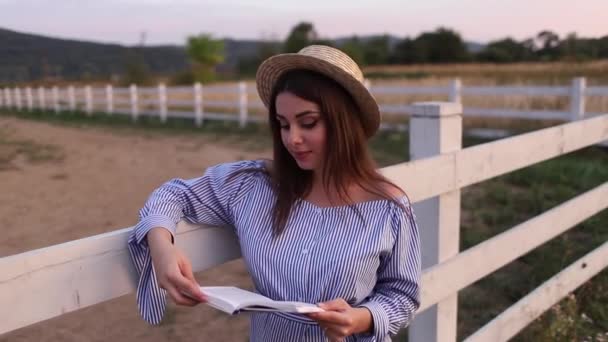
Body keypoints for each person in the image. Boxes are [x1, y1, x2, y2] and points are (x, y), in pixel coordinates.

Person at [128, 45, 421, 342]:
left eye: (308, 123)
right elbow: (172, 195)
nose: (292, 139)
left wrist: (362, 318)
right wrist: (162, 248)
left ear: (344, 123)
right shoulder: (252, 186)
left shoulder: (388, 207)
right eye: (283, 125)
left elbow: (402, 294)